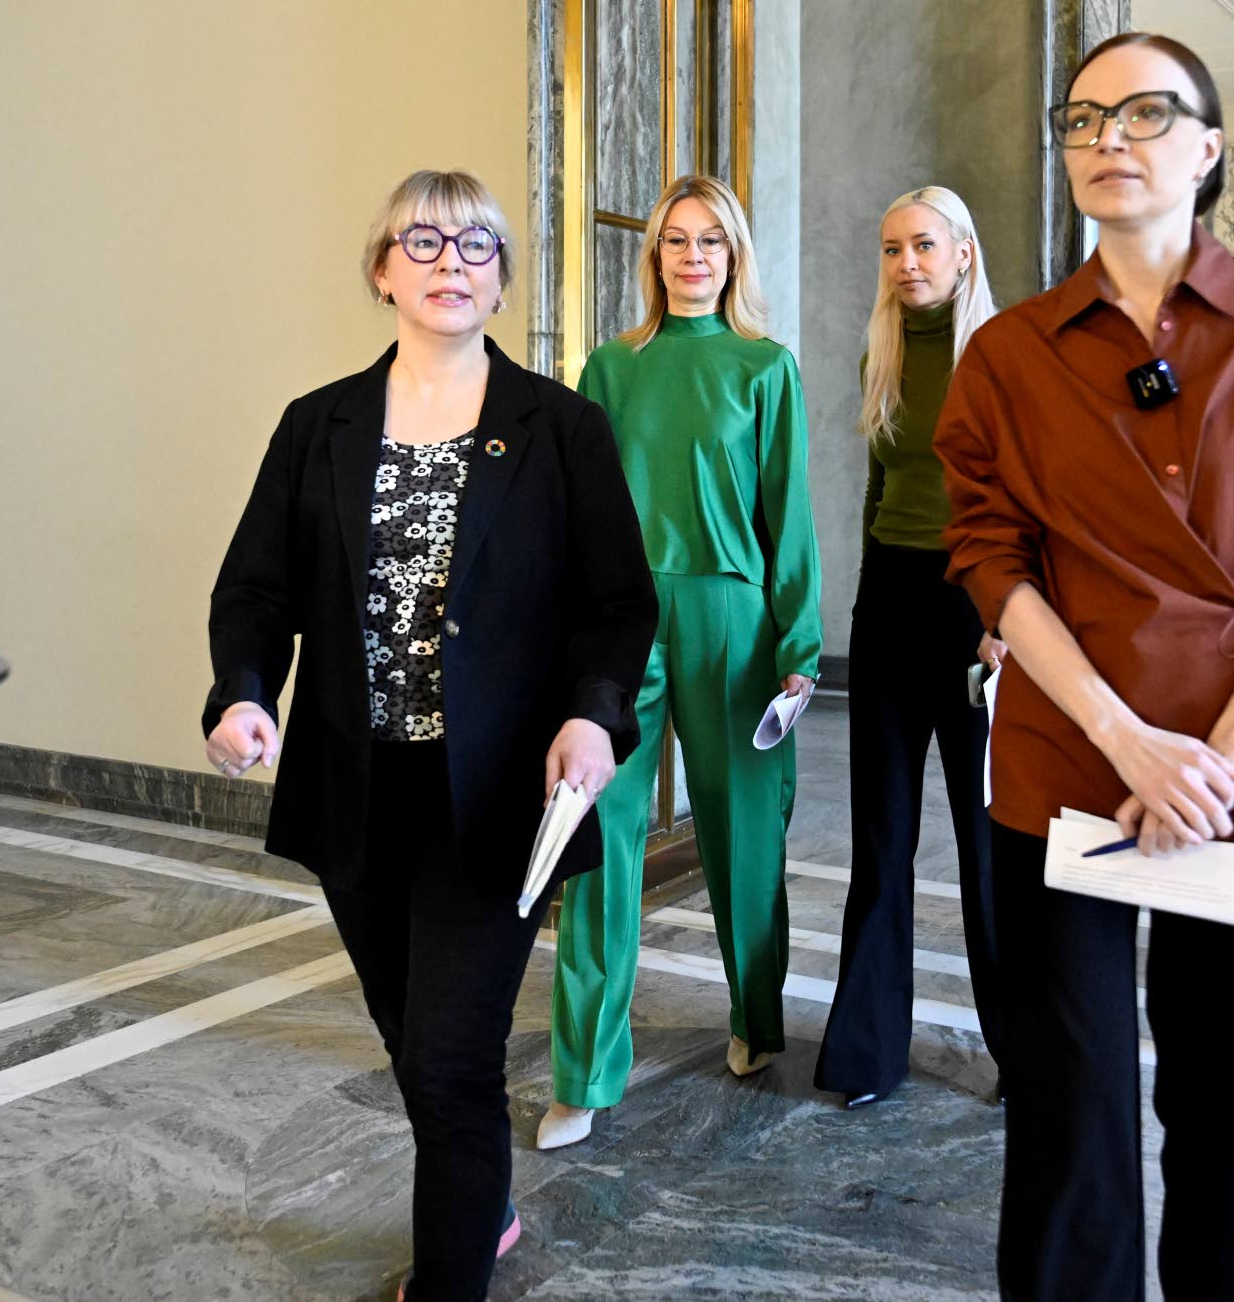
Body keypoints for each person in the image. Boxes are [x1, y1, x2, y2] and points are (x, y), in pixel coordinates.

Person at [934, 35, 1234, 1301]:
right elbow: (988, 557)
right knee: (1068, 1107)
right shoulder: (1008, 353)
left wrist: (1216, 756)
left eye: (1144, 114)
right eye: (1082, 118)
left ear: (1205, 149)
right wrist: (1128, 742)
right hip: (1067, 759)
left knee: (1217, 1108)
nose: (1106, 139)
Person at [203, 169, 656, 1301]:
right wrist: (244, 691)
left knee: (452, 1060)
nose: (450, 260)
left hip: (494, 797)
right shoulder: (317, 425)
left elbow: (616, 604)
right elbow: (255, 588)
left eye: (476, 244)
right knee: (411, 1038)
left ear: (501, 282)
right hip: (356, 789)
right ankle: (483, 1207)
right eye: (422, 240)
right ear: (381, 271)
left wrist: (593, 713)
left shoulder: (560, 427)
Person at [540, 174, 823, 1150]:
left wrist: (798, 643)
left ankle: (756, 1017)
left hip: (731, 616)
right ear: (653, 254)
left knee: (744, 833)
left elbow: (788, 514)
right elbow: (577, 513)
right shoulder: (610, 369)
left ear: (733, 256)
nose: (692, 254)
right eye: (675, 238)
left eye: (710, 239)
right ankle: (583, 1072)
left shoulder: (764, 367)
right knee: (598, 836)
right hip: (622, 618)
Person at [814, 187, 1005, 1109]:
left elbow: (1030, 501)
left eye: (924, 245)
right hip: (891, 603)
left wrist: (1009, 617)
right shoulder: (881, 353)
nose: (906, 264)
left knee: (987, 838)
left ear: (963, 252)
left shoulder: (1003, 360)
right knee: (881, 835)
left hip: (977, 605)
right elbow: (876, 489)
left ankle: (1024, 1053)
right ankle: (865, 1055)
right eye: (892, 249)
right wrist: (861, 607)